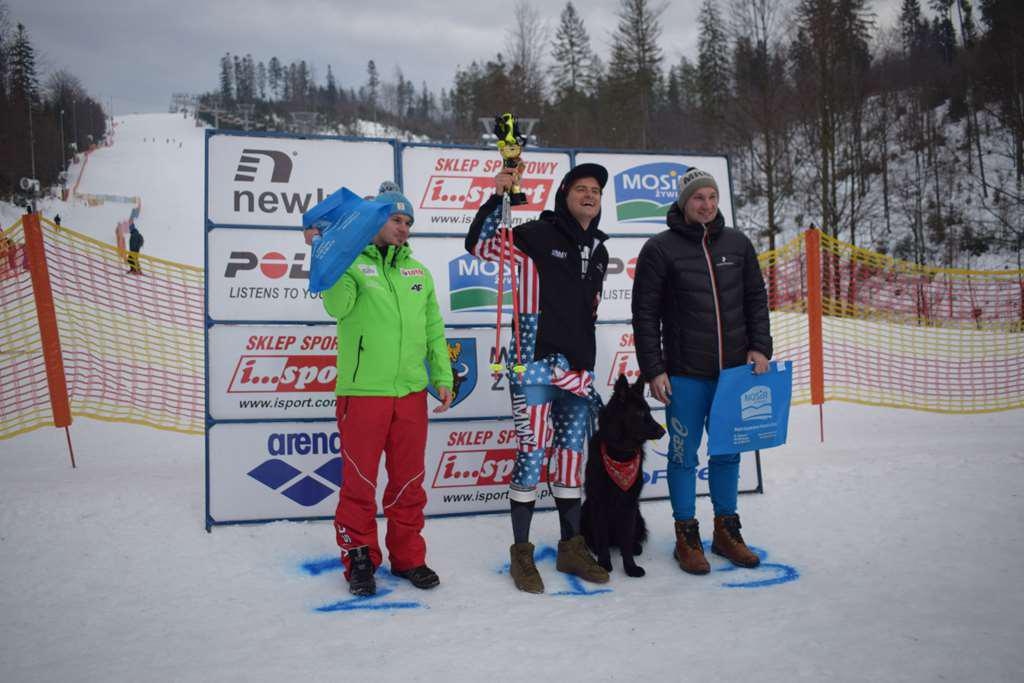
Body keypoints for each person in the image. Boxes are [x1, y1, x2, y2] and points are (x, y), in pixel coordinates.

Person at [466, 163, 611, 593]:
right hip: (533, 365)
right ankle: (522, 554)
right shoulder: (536, 235)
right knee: (531, 454)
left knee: (569, 458)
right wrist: (498, 196)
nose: (589, 195)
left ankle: (571, 547)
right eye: (580, 188)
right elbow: (479, 245)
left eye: (595, 190)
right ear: (564, 194)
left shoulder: (599, 251)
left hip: (577, 372)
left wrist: (584, 366)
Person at [305, 182, 453, 597]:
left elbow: (434, 330)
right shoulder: (351, 264)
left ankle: (408, 557)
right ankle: (360, 558)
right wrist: (330, 252)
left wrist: (442, 377)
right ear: (373, 221)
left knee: (408, 482)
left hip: (411, 394)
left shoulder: (418, 273)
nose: (403, 227)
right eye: (395, 219)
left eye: (408, 222)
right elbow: (336, 307)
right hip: (363, 393)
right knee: (359, 484)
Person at [631, 168, 772, 575]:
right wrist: (654, 369)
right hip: (685, 375)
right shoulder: (660, 249)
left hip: (733, 375)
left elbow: (755, 299)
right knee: (682, 456)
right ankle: (686, 536)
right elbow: (645, 314)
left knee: (727, 452)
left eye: (712, 196)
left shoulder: (738, 244)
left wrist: (760, 347)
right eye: (698, 198)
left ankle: (726, 531)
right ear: (683, 202)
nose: (706, 204)